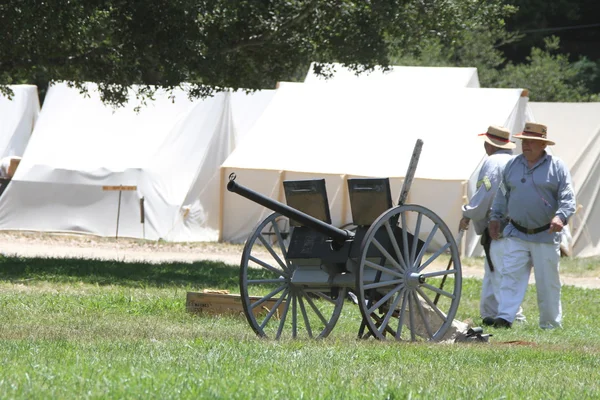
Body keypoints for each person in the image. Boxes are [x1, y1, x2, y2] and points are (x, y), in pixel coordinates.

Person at [489, 122, 576, 329]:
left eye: (531, 142)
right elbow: (502, 194)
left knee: (548, 283)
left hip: (545, 234)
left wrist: (561, 217)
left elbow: (568, 198)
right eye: (523, 141)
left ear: (542, 145)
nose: (525, 145)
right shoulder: (512, 165)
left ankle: (550, 323)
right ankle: (505, 317)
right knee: (510, 276)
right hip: (516, 231)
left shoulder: (557, 166)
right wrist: (495, 217)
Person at [459, 125, 524, 326]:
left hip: (498, 225)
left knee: (499, 271)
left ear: (490, 144)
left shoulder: (492, 163)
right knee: (493, 270)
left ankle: (513, 316)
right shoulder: (516, 161)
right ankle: (490, 312)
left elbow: (485, 194)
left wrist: (467, 212)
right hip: (515, 224)